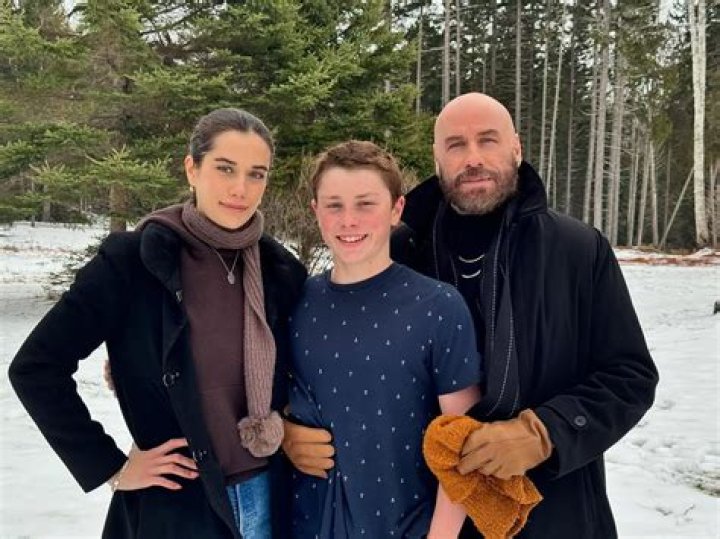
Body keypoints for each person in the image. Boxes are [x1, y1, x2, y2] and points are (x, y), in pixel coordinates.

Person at [281, 93, 659, 538]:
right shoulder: (399, 248)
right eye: (456, 144)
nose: (473, 158)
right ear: (437, 157)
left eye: (488, 140)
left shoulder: (574, 250)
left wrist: (545, 433)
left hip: (552, 511)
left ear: (516, 148)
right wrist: (291, 429)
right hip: (426, 512)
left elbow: (629, 376)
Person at [9, 108, 306, 539]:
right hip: (177, 508)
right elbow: (37, 367)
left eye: (256, 174)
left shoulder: (280, 271)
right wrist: (109, 467)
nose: (240, 188)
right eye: (225, 168)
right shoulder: (135, 262)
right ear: (192, 169)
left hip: (269, 500)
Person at [285, 140, 482, 538]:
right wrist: (283, 435)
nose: (349, 220)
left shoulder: (438, 307)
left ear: (396, 209)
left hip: (406, 525)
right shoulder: (294, 301)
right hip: (306, 525)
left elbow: (463, 445)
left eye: (365, 204)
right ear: (315, 211)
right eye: (334, 205)